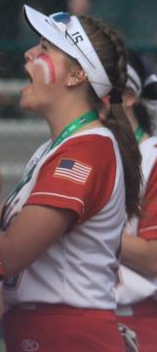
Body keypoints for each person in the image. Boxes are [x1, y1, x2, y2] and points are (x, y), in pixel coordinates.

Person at [0, 6, 142, 351]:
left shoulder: (86, 150)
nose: (28, 54)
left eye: (44, 49)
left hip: (68, 333)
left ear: (77, 75)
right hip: (52, 330)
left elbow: (12, 253)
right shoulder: (56, 147)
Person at [116, 50, 157, 349]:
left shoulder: (152, 155)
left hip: (135, 320)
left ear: (129, 97)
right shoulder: (64, 148)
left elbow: (152, 258)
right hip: (75, 316)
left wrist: (83, 224)